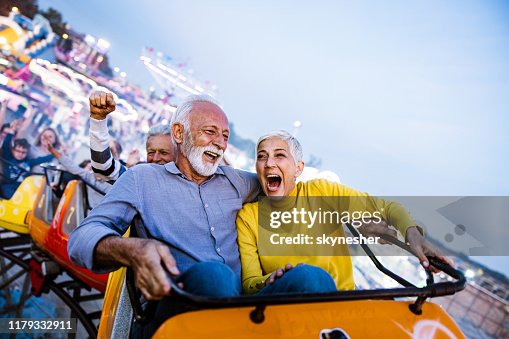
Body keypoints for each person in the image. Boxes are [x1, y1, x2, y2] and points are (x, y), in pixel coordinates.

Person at [68, 94, 261, 337]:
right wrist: (132, 249)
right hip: (174, 310)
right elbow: (81, 239)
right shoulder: (142, 179)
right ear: (179, 134)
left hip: (247, 310)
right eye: (210, 132)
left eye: (225, 136)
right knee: (214, 275)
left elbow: (282, 187)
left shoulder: (237, 181)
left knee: (310, 279)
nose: (220, 143)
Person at [236, 130, 452, 295]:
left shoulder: (322, 192)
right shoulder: (248, 217)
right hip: (280, 305)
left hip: (340, 303)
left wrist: (413, 236)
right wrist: (271, 280)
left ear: (298, 169)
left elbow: (388, 208)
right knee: (306, 277)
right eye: (262, 157)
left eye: (279, 155)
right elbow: (250, 283)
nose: (269, 163)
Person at [87, 92, 175, 181]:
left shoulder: (184, 188)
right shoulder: (138, 180)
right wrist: (98, 119)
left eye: (163, 153)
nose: (155, 158)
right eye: (151, 152)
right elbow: (103, 167)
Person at [46, 142, 111, 209]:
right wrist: (53, 151)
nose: (94, 170)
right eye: (91, 168)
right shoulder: (89, 177)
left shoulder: (112, 182)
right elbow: (70, 165)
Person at [0, 133, 53, 199]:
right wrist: (10, 134)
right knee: (10, 195)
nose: (20, 154)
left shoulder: (28, 162)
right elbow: (5, 146)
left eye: (23, 152)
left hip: (23, 187)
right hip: (8, 185)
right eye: (18, 151)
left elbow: (41, 159)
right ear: (13, 150)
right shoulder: (9, 158)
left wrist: (54, 154)